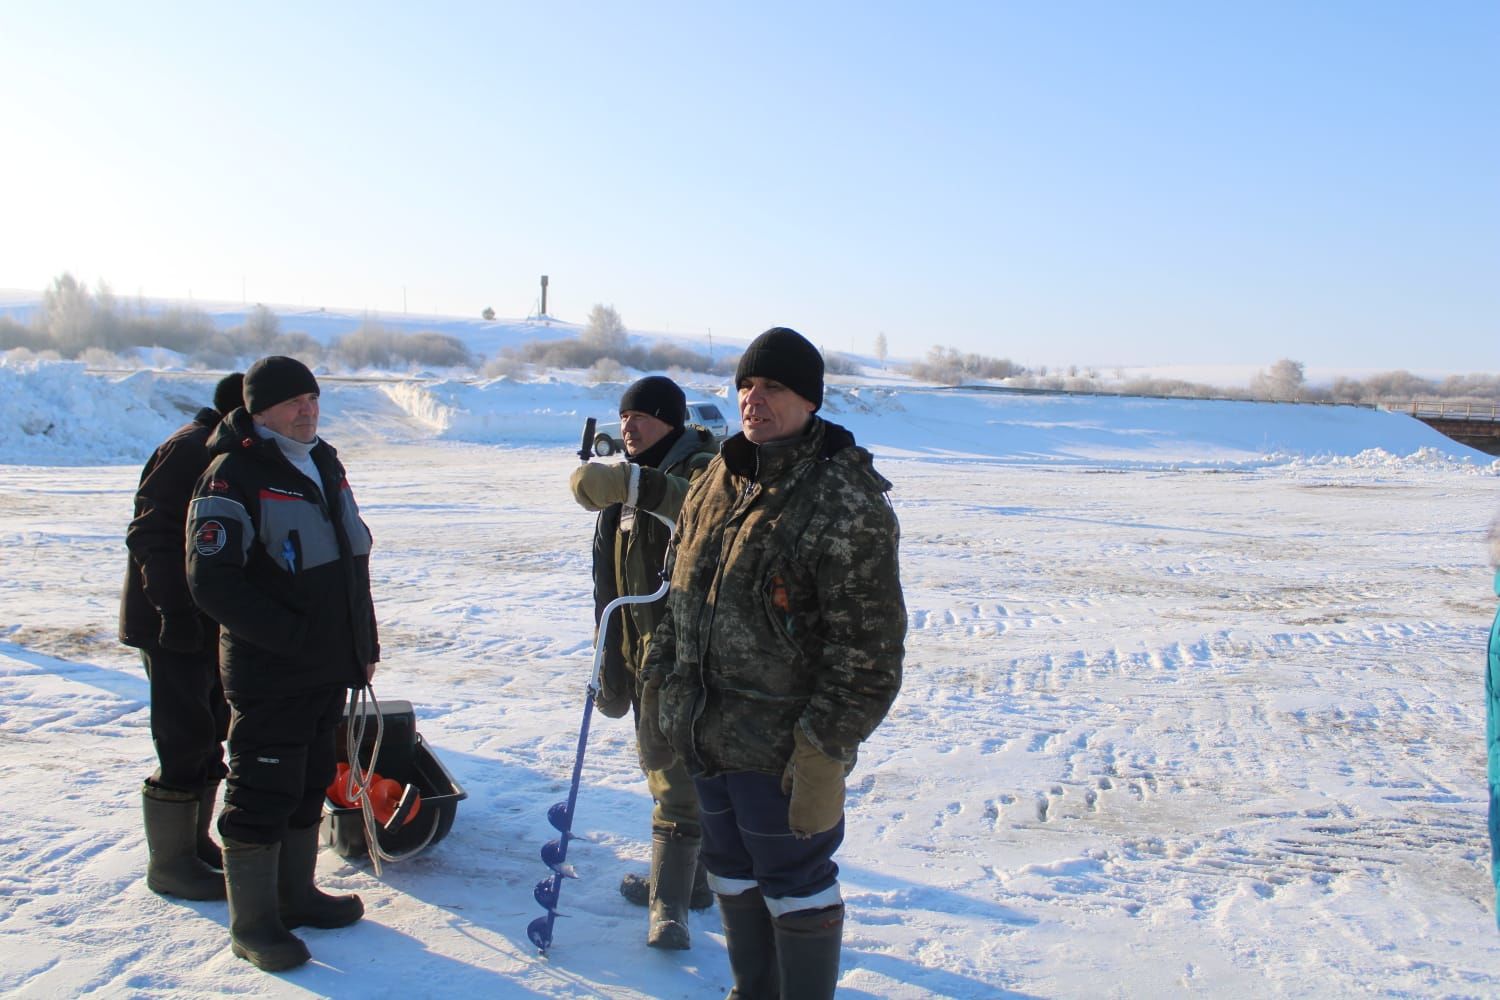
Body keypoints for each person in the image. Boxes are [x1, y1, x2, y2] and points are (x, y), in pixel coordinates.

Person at [640, 327, 906, 999]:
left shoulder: (842, 499)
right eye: (746, 386)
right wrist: (664, 688)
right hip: (706, 735)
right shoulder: (716, 479)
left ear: (810, 401)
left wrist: (823, 746)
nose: (754, 400)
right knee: (729, 870)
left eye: (774, 388)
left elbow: (869, 653)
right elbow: (678, 597)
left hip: (782, 751)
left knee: (795, 885)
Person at [185, 355, 378, 972]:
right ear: (259, 409)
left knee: (306, 780)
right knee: (261, 789)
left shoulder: (322, 460)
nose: (308, 410)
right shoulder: (232, 474)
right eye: (294, 401)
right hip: (272, 671)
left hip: (327, 665)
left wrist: (360, 646)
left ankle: (295, 895)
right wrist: (289, 638)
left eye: (314, 398)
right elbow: (211, 581)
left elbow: (351, 560)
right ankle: (254, 922)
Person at [568, 375, 719, 949]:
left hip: (687, 653)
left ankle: (670, 908)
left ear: (671, 422)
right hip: (642, 650)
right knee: (673, 772)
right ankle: (693, 883)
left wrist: (632, 483)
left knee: (674, 780)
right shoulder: (628, 487)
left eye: (643, 417)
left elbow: (699, 510)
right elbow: (613, 583)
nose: (628, 427)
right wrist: (612, 663)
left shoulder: (703, 467)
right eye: (624, 417)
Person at [120, 372, 244, 902]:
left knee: (207, 726)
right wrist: (173, 611)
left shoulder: (215, 446)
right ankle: (170, 864)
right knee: (182, 734)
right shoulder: (187, 450)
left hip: (201, 621)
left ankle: (194, 844)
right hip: (170, 624)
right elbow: (152, 533)